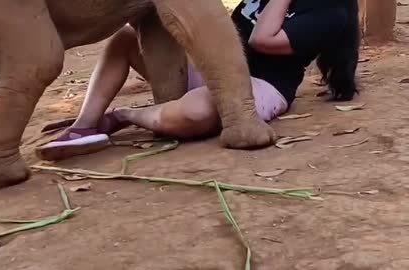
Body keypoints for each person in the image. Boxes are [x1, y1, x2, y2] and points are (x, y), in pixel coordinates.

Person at [37, 0, 360, 161]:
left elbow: (261, 39)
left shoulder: (330, 13)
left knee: (195, 113)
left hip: (260, 84)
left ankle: (123, 116)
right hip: (214, 70)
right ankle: (83, 127)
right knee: (124, 40)